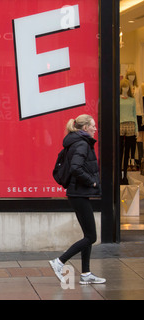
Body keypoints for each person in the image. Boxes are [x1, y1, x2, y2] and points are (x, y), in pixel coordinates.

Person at [49, 114, 105, 285]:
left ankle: (86, 274)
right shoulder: (82, 144)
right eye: (93, 126)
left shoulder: (76, 142)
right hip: (78, 194)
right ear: (85, 128)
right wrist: (92, 181)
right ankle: (59, 262)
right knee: (91, 237)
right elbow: (75, 168)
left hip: (77, 194)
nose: (96, 129)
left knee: (87, 235)